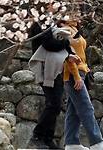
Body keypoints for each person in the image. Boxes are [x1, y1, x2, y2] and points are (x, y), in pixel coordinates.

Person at [59, 17, 103, 150]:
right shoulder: (64, 30)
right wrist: (77, 76)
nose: (78, 14)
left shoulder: (74, 29)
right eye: (74, 10)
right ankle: (96, 142)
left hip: (80, 72)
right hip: (72, 73)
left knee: (73, 110)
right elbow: (68, 56)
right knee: (86, 107)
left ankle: (71, 143)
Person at [28, 20, 75, 149]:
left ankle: (48, 138)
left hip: (56, 69)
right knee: (53, 104)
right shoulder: (41, 23)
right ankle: (38, 135)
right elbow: (49, 44)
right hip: (46, 69)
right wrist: (65, 41)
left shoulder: (53, 23)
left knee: (56, 104)